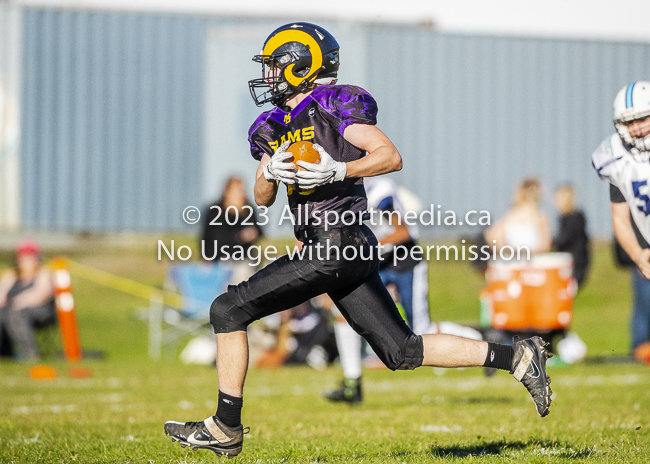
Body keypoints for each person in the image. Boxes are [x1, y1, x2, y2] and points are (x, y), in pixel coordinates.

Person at [164, 22, 553, 458]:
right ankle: (517, 357)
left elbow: (389, 154)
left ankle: (225, 427)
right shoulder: (275, 124)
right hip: (338, 247)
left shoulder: (330, 109)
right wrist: (270, 172)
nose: (268, 75)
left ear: (300, 66)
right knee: (402, 350)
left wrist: (339, 170)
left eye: (276, 66)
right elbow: (262, 195)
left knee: (228, 308)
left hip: (337, 241)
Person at [324, 177, 481, 403]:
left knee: (420, 329)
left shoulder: (378, 189)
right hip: (377, 263)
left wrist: (367, 245)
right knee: (343, 313)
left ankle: (477, 340)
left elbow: (403, 232)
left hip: (405, 264)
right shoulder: (341, 190)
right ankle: (352, 383)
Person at [592, 80, 650, 355]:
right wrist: (638, 254)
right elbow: (620, 217)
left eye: (643, 118)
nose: (637, 127)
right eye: (630, 121)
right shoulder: (615, 159)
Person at [201, 176, 264, 285]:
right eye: (238, 190)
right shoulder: (215, 210)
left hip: (244, 259)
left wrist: (253, 234)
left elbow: (259, 231)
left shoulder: (248, 209)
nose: (241, 193)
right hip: (220, 261)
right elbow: (208, 236)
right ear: (227, 191)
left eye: (242, 190)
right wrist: (206, 257)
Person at [0, 238, 55, 361]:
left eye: (30, 256)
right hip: (11, 310)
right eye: (23, 256)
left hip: (41, 312)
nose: (26, 259)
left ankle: (31, 354)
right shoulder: (12, 274)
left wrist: (19, 301)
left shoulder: (43, 272)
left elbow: (42, 294)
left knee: (16, 313)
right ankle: (4, 353)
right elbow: (2, 293)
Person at [485, 178, 552, 256]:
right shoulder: (541, 217)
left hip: (514, 261)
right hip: (532, 261)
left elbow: (491, 236)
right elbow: (545, 246)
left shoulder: (511, 214)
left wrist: (506, 251)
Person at [552, 184, 590, 287]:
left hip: (573, 262)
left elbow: (564, 238)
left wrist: (549, 242)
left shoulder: (569, 218)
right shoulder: (578, 216)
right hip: (580, 260)